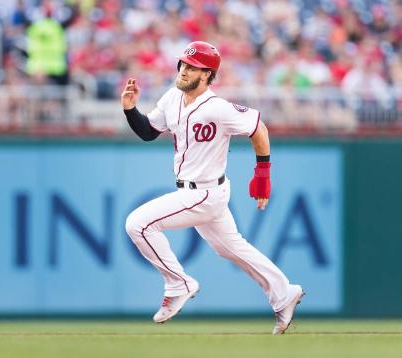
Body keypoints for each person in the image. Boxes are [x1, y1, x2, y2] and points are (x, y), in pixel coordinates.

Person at [121, 41, 304, 335]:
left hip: (205, 192)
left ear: (207, 74)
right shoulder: (172, 98)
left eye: (192, 67)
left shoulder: (218, 107)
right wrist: (131, 110)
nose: (183, 70)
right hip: (194, 191)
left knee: (138, 224)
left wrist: (262, 175)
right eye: (182, 64)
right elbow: (147, 132)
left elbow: (259, 129)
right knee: (232, 249)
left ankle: (178, 284)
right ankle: (284, 293)